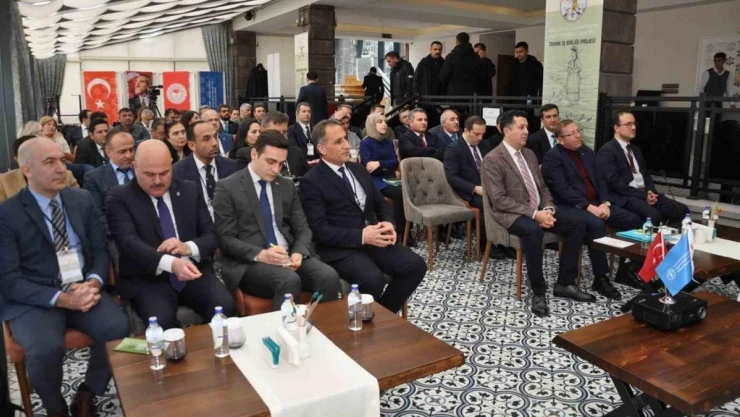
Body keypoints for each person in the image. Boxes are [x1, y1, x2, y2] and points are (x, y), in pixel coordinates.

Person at [0, 137, 129, 417]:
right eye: (50, 162)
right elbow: (9, 279)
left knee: (117, 327)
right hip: (35, 298)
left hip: (82, 286)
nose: (61, 168)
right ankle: (55, 408)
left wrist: (94, 282)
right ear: (27, 169)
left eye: (61, 160)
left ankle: (87, 393)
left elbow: (100, 250)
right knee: (45, 348)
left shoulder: (80, 199)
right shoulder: (8, 214)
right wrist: (62, 299)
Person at [105, 140, 236, 330]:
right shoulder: (119, 197)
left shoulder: (189, 189)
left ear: (171, 165)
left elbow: (211, 235)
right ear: (135, 168)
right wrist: (171, 263)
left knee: (225, 308)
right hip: (148, 277)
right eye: (149, 174)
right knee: (162, 323)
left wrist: (188, 247)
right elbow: (128, 244)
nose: (158, 180)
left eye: (164, 173)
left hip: (192, 270)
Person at [299, 119, 426, 313]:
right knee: (373, 280)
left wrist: (388, 223)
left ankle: (383, 315)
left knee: (416, 266)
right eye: (339, 141)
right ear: (322, 148)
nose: (347, 145)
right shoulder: (312, 181)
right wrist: (362, 236)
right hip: (342, 248)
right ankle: (368, 319)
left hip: (373, 239)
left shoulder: (358, 169)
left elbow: (380, 204)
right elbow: (319, 230)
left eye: (345, 139)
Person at [482, 110, 595, 317]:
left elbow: (542, 188)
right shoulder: (493, 159)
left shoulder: (530, 154)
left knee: (577, 221)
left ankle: (565, 283)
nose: (526, 131)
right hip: (510, 214)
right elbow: (499, 200)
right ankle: (538, 291)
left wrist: (548, 208)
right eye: (521, 127)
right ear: (507, 131)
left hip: (538, 209)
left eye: (527, 127)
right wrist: (535, 214)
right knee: (533, 231)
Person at [213, 130, 341, 309]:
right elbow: (226, 239)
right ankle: (286, 328)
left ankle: (324, 325)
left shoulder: (286, 185)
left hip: (287, 255)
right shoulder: (227, 187)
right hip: (250, 261)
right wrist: (262, 255)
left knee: (329, 276)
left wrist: (299, 252)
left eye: (281, 164)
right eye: (271, 162)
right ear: (254, 154)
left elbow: (303, 228)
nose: (276, 170)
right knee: (288, 280)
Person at [542, 120, 645, 299]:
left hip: (597, 204)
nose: (578, 136)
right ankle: (601, 277)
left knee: (634, 220)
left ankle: (627, 269)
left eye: (578, 131)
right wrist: (590, 208)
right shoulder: (553, 157)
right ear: (561, 139)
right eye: (572, 134)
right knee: (596, 225)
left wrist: (605, 202)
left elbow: (600, 181)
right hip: (570, 206)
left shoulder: (587, 152)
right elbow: (562, 190)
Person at [596, 110, 689, 225]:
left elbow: (645, 175)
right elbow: (615, 183)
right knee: (655, 216)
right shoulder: (607, 151)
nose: (633, 127)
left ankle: (669, 234)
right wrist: (644, 196)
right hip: (627, 197)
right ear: (616, 128)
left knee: (681, 210)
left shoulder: (635, 150)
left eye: (634, 124)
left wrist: (650, 191)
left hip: (645, 194)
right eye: (628, 124)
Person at [444, 116, 493, 257]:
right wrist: (474, 188)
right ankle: (486, 244)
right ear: (466, 130)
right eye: (477, 134)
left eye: (483, 134)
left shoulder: (485, 144)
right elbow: (452, 177)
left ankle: (504, 241)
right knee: (487, 204)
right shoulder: (454, 148)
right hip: (466, 191)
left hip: (487, 186)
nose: (480, 138)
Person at [172, 121, 239, 220]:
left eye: (215, 136)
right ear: (192, 145)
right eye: (206, 139)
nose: (214, 143)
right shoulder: (178, 172)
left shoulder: (231, 167)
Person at [360, 112, 407, 232]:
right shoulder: (366, 143)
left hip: (389, 177)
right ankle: (399, 229)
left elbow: (395, 162)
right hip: (375, 180)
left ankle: (407, 228)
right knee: (400, 192)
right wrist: (386, 165)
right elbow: (369, 166)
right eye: (380, 122)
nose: (384, 124)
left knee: (408, 189)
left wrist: (379, 164)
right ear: (372, 125)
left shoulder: (388, 142)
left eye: (385, 122)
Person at [83, 130, 136, 231]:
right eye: (122, 151)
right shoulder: (94, 178)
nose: (129, 155)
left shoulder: (143, 171)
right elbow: (99, 217)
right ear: (108, 152)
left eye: (131, 150)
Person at [0, 135, 78, 203]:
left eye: (63, 160)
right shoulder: (4, 181)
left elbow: (78, 205)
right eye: (49, 162)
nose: (61, 169)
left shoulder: (67, 176)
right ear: (18, 160)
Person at [234, 112, 309, 177]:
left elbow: (306, 180)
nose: (281, 136)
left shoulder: (297, 153)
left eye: (284, 132)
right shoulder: (247, 155)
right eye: (276, 132)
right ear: (262, 131)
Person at [440, 32, 484, 99]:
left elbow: (443, 76)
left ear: (457, 41)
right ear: (468, 41)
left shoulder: (451, 57)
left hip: (454, 93)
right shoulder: (475, 57)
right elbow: (481, 75)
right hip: (471, 93)